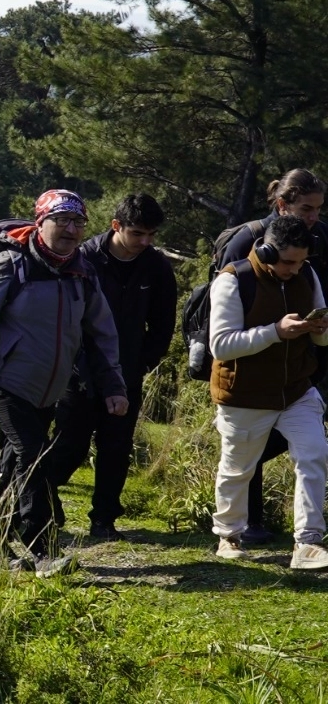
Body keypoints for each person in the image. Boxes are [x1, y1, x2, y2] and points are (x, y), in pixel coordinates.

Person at [0, 189, 126, 577]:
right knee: (34, 454)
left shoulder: (82, 272)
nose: (70, 229)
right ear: (40, 223)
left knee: (16, 462)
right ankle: (42, 548)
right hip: (2, 381)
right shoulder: (10, 265)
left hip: (48, 389)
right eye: (61, 220)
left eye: (78, 222)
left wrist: (114, 386)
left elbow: (101, 333)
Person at [51, 194, 178, 540]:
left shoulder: (156, 266)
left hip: (127, 372)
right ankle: (42, 499)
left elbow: (163, 323)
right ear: (116, 226)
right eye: (137, 233)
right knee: (69, 445)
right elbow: (65, 317)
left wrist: (143, 363)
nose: (145, 241)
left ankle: (104, 520)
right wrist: (75, 364)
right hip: (79, 372)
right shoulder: (84, 259)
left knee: (116, 448)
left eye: (151, 234)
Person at [206, 216, 328, 568]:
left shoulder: (307, 274)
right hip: (245, 393)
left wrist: (319, 328)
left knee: (314, 455)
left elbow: (321, 340)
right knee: (238, 469)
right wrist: (275, 331)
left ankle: (308, 543)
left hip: (297, 390)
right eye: (288, 261)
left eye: (301, 261)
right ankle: (229, 536)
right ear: (266, 251)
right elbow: (221, 346)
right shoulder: (233, 280)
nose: (295, 269)